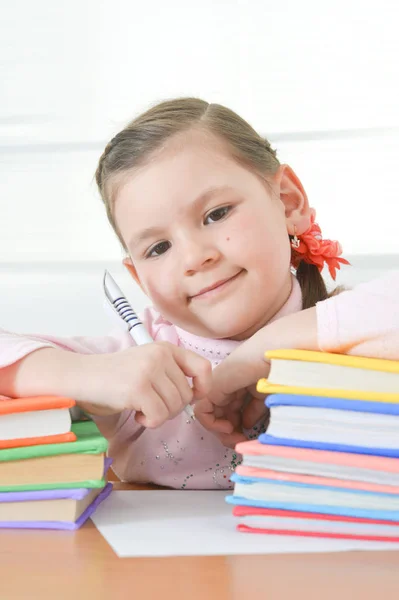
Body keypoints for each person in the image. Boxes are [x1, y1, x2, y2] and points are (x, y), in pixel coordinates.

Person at [0, 98, 398, 490]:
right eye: (158, 248)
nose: (194, 257)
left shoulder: (356, 328)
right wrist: (86, 377)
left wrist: (272, 344)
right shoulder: (135, 367)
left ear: (289, 201)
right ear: (140, 280)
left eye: (216, 214)